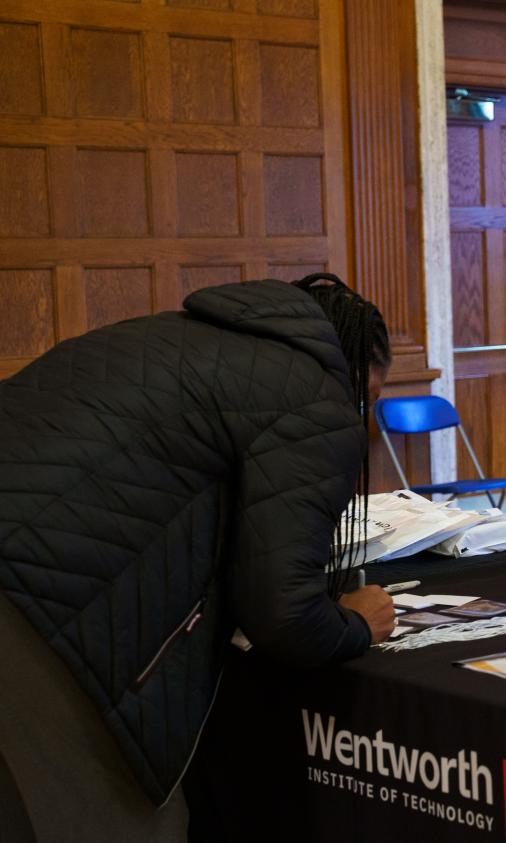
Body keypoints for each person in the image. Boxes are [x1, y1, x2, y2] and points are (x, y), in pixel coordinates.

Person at [0, 274, 398, 840]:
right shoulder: (313, 394)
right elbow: (283, 616)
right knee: (127, 818)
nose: (363, 415)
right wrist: (356, 621)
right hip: (36, 608)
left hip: (34, 572)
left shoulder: (167, 336)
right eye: (369, 399)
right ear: (354, 373)